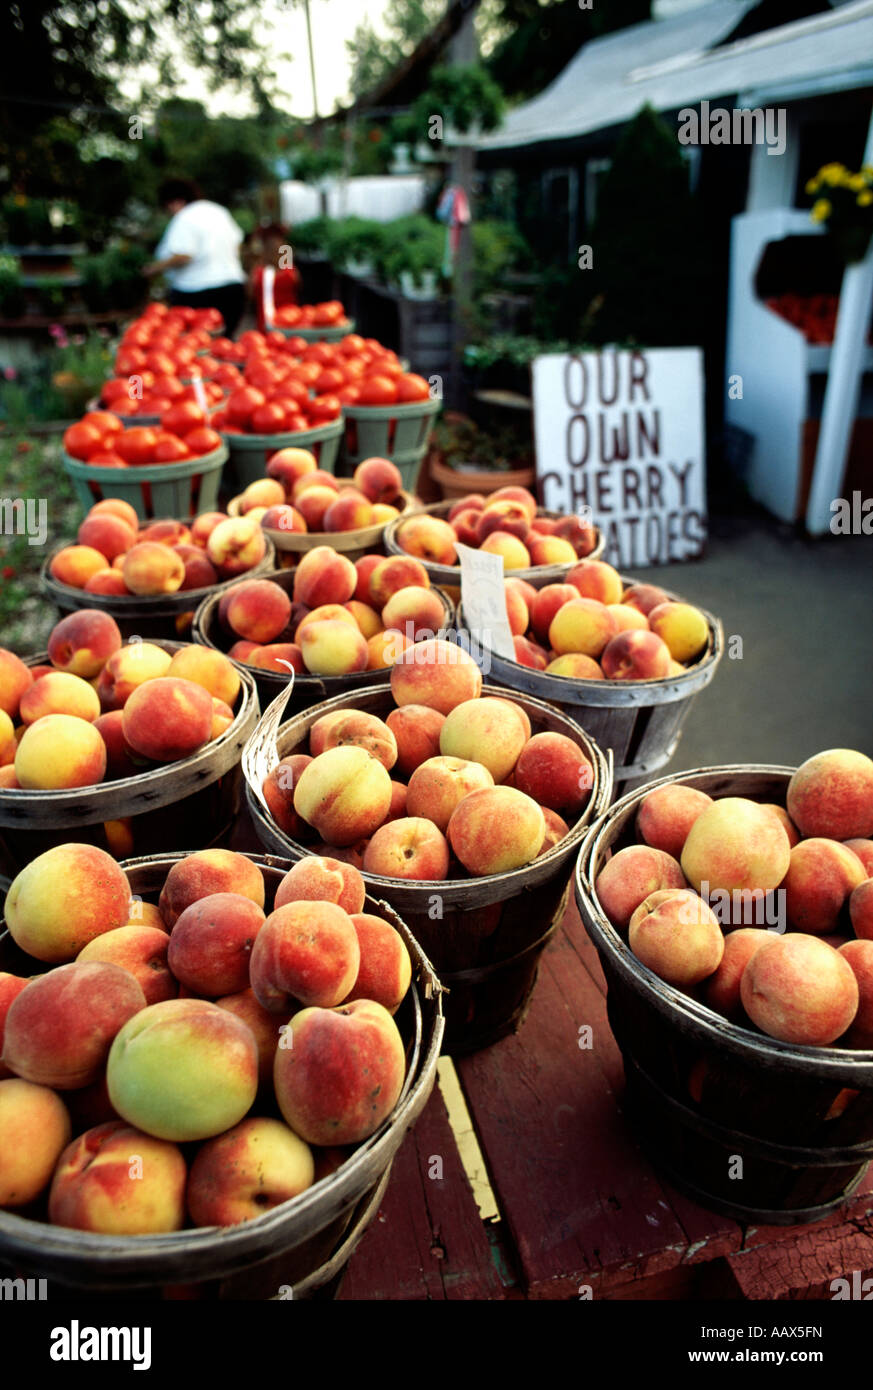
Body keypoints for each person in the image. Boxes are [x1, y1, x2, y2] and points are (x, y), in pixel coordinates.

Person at [143, 178, 247, 335]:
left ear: (175, 202)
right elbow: (238, 244)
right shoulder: (218, 211)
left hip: (197, 295)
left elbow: (183, 255)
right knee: (225, 346)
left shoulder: (184, 217)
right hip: (233, 289)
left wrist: (154, 269)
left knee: (196, 348)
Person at [249, 222, 301, 332]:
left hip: (290, 322)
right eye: (270, 245)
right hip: (265, 324)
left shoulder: (289, 268)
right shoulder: (259, 270)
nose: (274, 247)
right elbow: (250, 294)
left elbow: (297, 284)